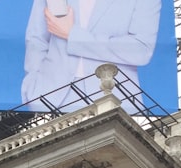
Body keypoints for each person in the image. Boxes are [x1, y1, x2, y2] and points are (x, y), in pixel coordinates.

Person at [22, 0, 162, 112]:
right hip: (50, 95)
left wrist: (73, 35)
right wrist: (32, 84)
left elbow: (141, 50)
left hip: (115, 96)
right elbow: (36, 38)